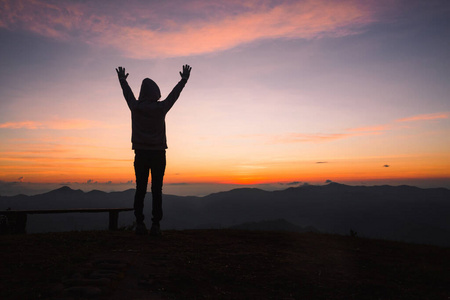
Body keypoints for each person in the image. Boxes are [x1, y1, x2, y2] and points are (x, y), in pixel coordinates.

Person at [116, 65, 192, 236]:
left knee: (140, 188)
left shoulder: (135, 107)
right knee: (157, 189)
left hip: (141, 154)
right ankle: (156, 225)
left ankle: (140, 224)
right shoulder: (160, 108)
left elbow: (127, 94)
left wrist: (122, 80)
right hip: (158, 154)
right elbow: (174, 95)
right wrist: (184, 80)